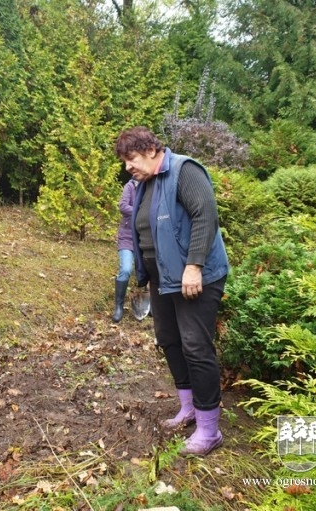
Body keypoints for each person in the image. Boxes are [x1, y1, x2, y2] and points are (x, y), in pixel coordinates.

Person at [114, 126, 229, 456]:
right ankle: (188, 407)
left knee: (195, 345)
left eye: (131, 159)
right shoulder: (145, 183)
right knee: (169, 339)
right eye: (125, 162)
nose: (128, 167)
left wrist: (194, 265)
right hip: (163, 278)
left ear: (151, 150)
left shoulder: (184, 170)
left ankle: (209, 430)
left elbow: (205, 215)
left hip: (195, 277)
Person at [113, 177, 139, 322]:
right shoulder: (130, 186)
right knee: (126, 269)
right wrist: (140, 211)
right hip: (127, 237)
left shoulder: (151, 187)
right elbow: (123, 206)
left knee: (151, 270)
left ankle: (152, 303)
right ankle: (118, 306)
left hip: (144, 239)